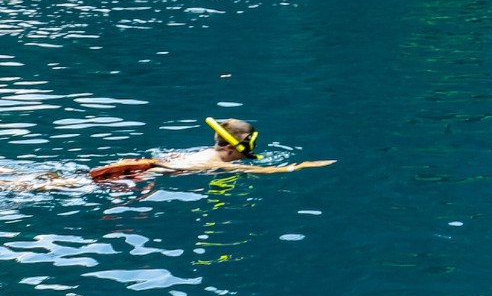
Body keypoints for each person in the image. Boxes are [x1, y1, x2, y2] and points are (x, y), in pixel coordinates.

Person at [86, 119, 334, 184]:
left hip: (154, 165)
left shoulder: (207, 152)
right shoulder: (220, 163)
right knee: (72, 184)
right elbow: (265, 170)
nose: (253, 146)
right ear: (229, 146)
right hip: (148, 172)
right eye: (249, 141)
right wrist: (300, 166)